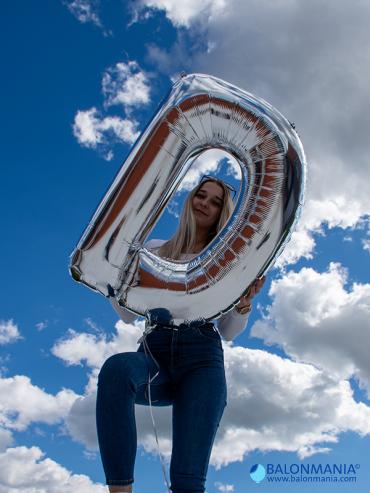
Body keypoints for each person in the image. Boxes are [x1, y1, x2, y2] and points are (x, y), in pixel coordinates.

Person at [96, 176, 266, 493]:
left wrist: (244, 304)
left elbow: (229, 332)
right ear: (190, 200)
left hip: (202, 360)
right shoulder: (154, 249)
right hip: (154, 353)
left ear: (221, 213)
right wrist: (111, 280)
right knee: (117, 369)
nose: (205, 203)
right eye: (201, 195)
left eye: (215, 202)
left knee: (188, 483)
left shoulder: (226, 261)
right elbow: (127, 312)